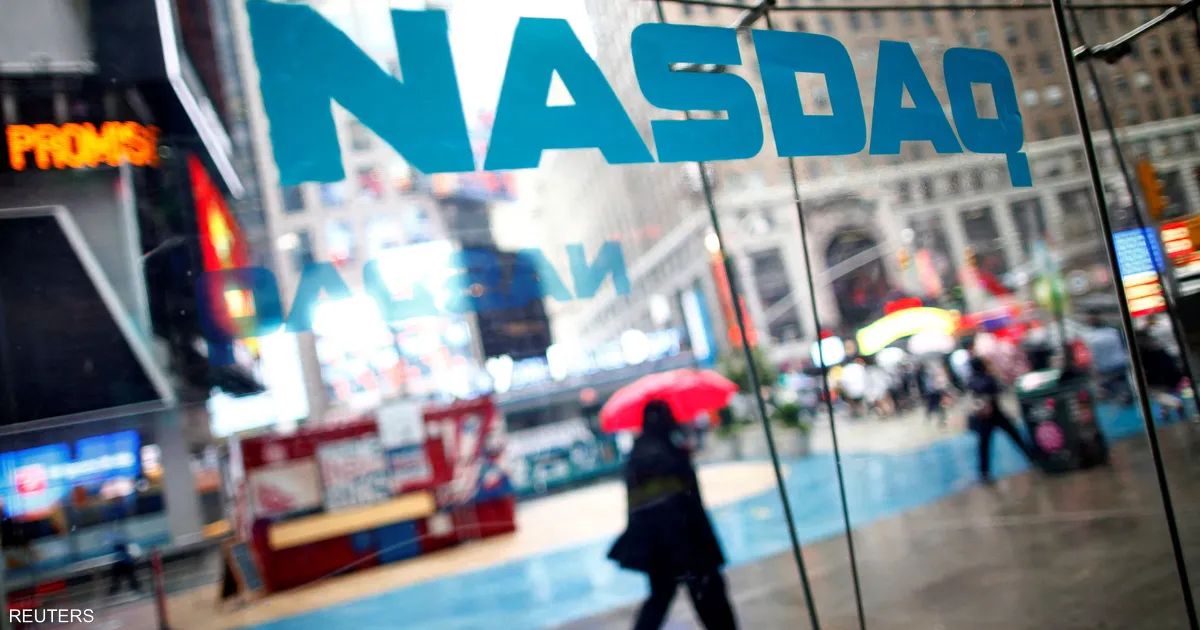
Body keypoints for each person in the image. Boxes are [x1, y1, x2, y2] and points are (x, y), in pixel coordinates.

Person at [608, 400, 738, 630]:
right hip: (686, 543)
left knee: (660, 598)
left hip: (658, 546)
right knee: (709, 596)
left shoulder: (641, 452)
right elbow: (678, 501)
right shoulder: (665, 453)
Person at [967, 356, 1032, 483]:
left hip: (984, 418)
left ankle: (984, 472)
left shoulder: (971, 381)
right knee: (1015, 435)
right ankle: (1030, 455)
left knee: (984, 445)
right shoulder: (988, 378)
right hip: (996, 413)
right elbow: (998, 390)